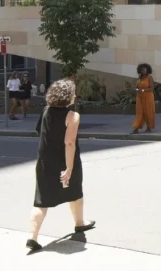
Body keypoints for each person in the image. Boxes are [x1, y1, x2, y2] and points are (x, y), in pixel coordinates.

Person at [27, 79, 95, 254]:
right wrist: (69, 168)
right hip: (66, 161)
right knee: (75, 192)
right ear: (69, 96)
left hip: (45, 162)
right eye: (73, 92)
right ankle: (79, 223)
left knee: (41, 201)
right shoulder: (73, 116)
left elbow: (40, 132)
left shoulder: (46, 111)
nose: (75, 95)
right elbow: (69, 143)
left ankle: (32, 237)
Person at [131, 63, 156, 133]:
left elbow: (151, 88)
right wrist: (136, 89)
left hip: (148, 96)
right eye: (142, 69)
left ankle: (149, 127)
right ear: (140, 70)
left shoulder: (149, 77)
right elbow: (137, 87)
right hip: (139, 97)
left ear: (147, 70)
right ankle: (136, 128)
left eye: (145, 69)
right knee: (139, 112)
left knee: (148, 112)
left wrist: (142, 90)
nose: (143, 70)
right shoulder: (139, 78)